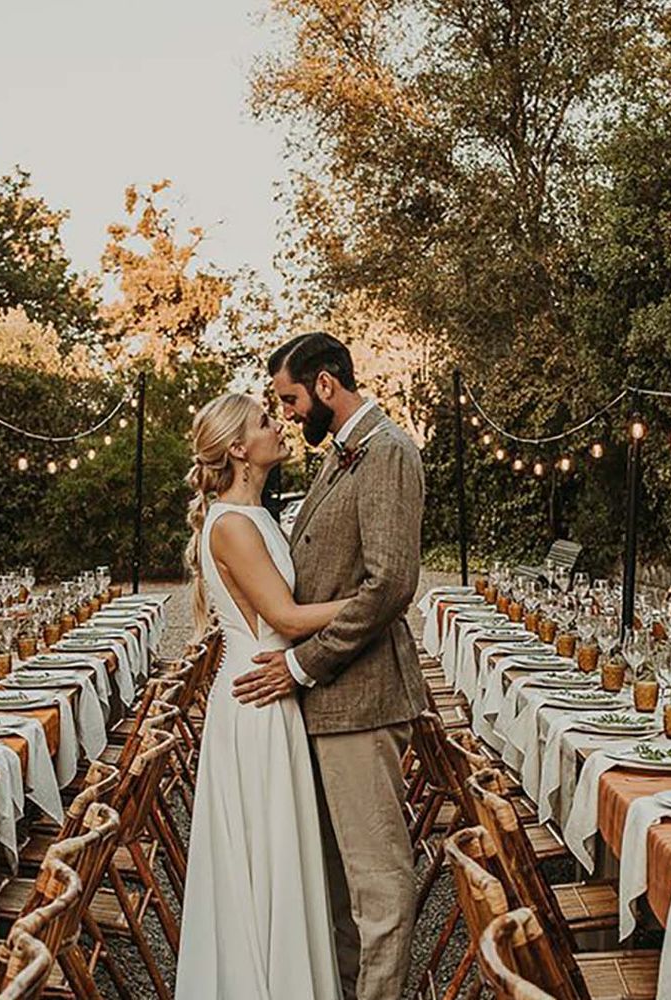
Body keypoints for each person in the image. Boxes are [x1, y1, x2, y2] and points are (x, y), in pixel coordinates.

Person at [233, 332, 426, 1000]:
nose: (285, 414)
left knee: (380, 886)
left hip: (362, 700)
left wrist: (302, 666)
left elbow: (390, 584)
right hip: (328, 705)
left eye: (289, 399)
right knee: (339, 882)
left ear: (324, 384)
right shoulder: (341, 456)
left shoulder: (387, 453)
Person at [174, 391, 344, 1000]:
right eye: (265, 422)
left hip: (268, 693)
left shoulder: (258, 515)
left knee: (279, 852)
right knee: (263, 853)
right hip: (257, 702)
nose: (280, 426)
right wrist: (373, 603)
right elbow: (286, 616)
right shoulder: (233, 525)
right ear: (240, 449)